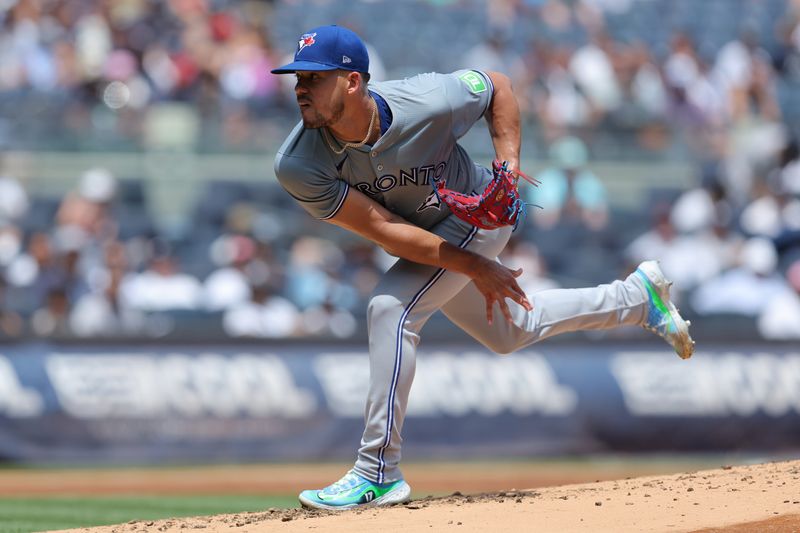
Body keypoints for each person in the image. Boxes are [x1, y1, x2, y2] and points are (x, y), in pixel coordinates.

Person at [270, 25, 694, 511]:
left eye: (314, 78)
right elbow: (385, 231)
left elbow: (498, 86)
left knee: (391, 308)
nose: (300, 88)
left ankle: (377, 472)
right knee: (511, 331)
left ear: (352, 81)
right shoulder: (299, 163)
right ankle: (639, 297)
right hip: (431, 241)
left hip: (476, 216)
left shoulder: (427, 99)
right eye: (298, 77)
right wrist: (474, 268)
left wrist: (507, 169)